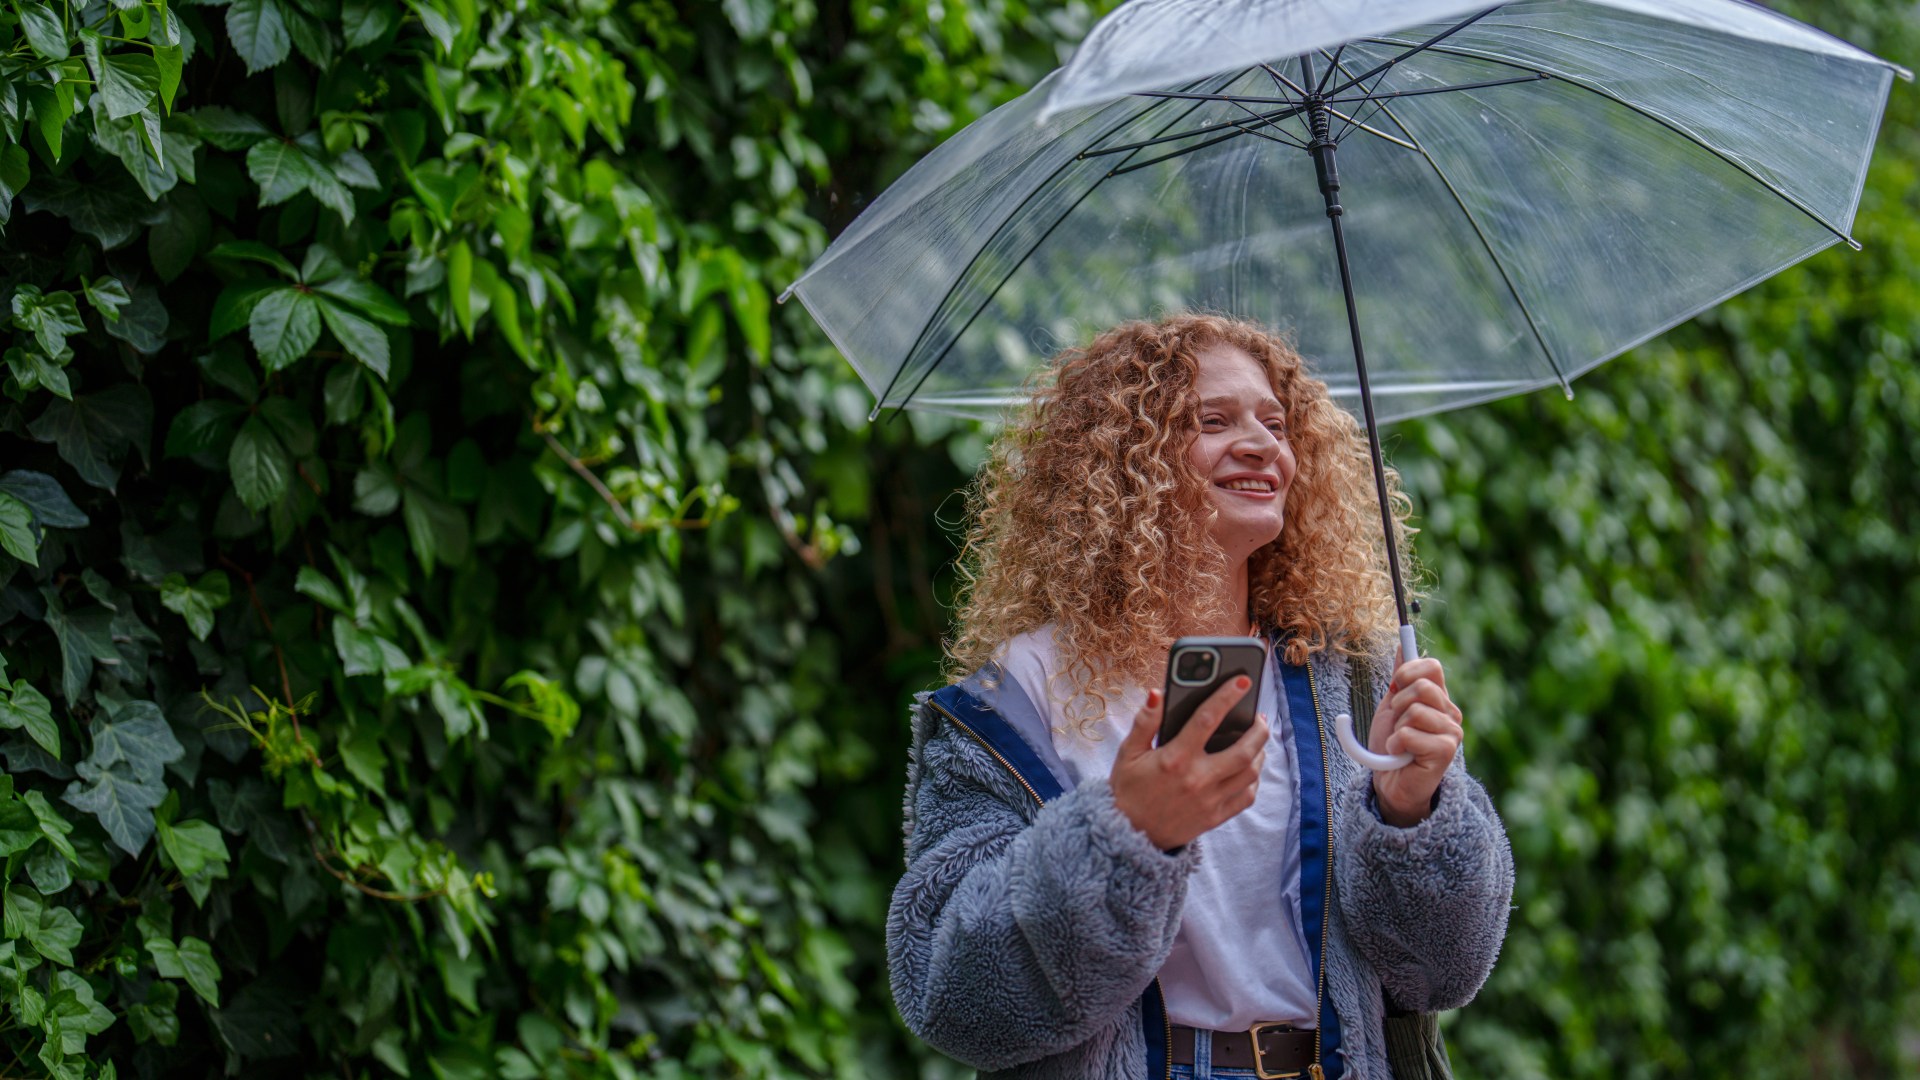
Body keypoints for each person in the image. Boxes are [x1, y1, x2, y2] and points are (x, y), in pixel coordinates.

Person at [887, 313, 1514, 1079]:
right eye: (1213, 421)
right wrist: (1127, 835)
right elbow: (956, 995)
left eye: (1276, 424)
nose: (1262, 445)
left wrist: (1410, 812)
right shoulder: (1020, 695)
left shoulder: (1349, 673)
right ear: (1124, 462)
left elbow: (1442, 973)